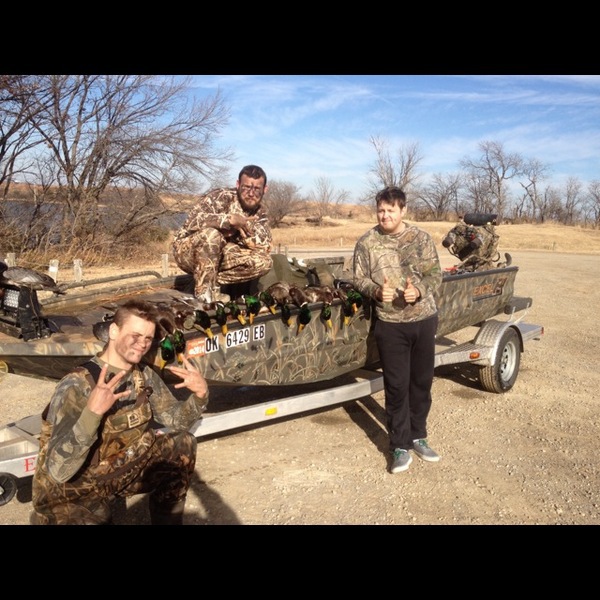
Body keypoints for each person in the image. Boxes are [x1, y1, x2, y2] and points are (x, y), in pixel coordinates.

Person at [30, 298, 209, 525]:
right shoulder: (76, 385)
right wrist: (91, 414)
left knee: (182, 444)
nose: (142, 344)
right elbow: (59, 471)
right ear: (114, 331)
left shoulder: (142, 374)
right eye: (135, 336)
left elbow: (176, 420)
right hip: (72, 488)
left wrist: (199, 396)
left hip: (113, 471)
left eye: (147, 338)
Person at [353, 186, 443, 474]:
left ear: (403, 210)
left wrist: (420, 290)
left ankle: (419, 436)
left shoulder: (421, 238)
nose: (385, 215)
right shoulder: (367, 242)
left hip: (423, 320)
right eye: (381, 210)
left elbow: (435, 275)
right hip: (390, 326)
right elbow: (357, 279)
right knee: (396, 387)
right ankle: (399, 446)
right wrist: (376, 292)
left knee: (421, 383)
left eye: (391, 210)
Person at [172, 164, 273, 303]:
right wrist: (228, 220)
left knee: (264, 261)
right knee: (212, 235)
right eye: (246, 187)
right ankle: (205, 294)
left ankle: (207, 279)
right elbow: (191, 221)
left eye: (256, 189)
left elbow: (265, 244)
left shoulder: (260, 214)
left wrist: (243, 225)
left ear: (264, 190)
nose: (251, 193)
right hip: (188, 251)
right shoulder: (220, 197)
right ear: (238, 185)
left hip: (218, 257)